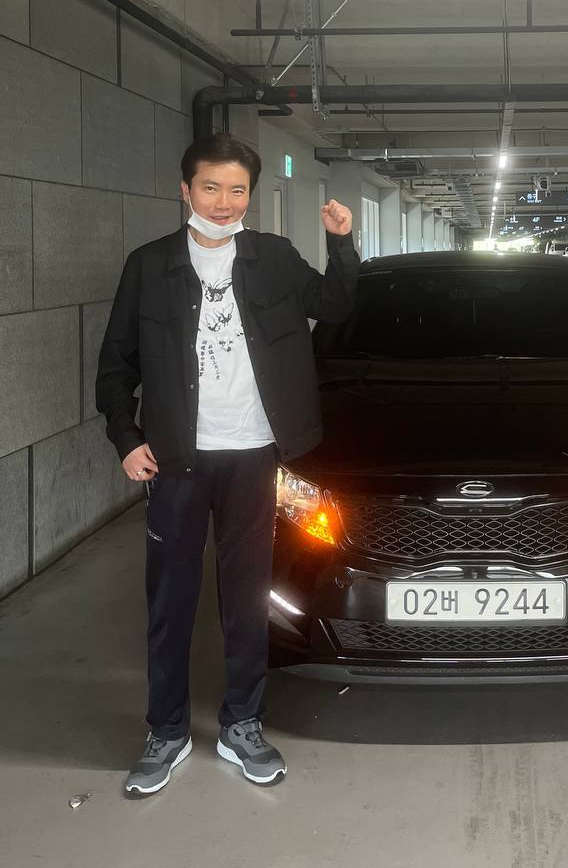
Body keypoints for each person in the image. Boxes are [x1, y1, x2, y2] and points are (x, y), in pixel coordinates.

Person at [96, 133, 360, 797]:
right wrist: (126, 438)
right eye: (210, 187)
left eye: (237, 189)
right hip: (176, 461)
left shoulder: (274, 257)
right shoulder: (149, 265)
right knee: (170, 599)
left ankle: (243, 724)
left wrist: (342, 245)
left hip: (253, 455)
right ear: (185, 189)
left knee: (246, 598)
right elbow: (115, 365)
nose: (223, 201)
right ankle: (166, 731)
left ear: (250, 194)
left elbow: (334, 306)